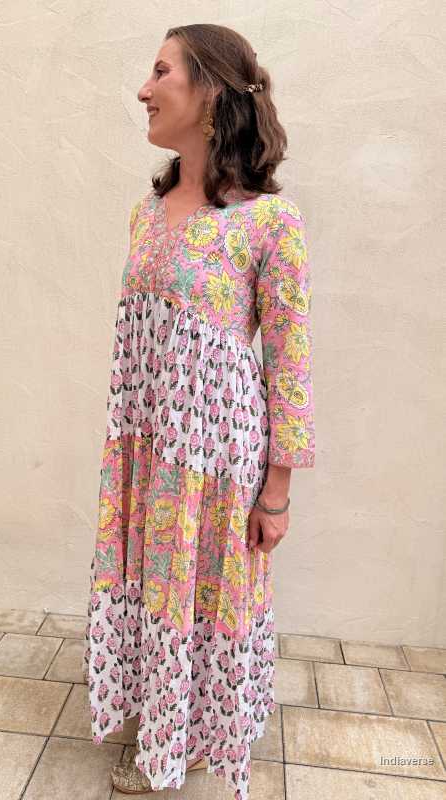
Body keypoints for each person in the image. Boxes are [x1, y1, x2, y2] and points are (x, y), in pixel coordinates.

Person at [82, 23, 315, 800]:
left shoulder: (269, 223)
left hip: (218, 458)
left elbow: (289, 360)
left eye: (160, 72)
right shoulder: (145, 213)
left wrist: (276, 491)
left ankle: (192, 734)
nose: (143, 90)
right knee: (155, 583)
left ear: (211, 91)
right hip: (146, 445)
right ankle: (160, 713)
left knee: (206, 591)